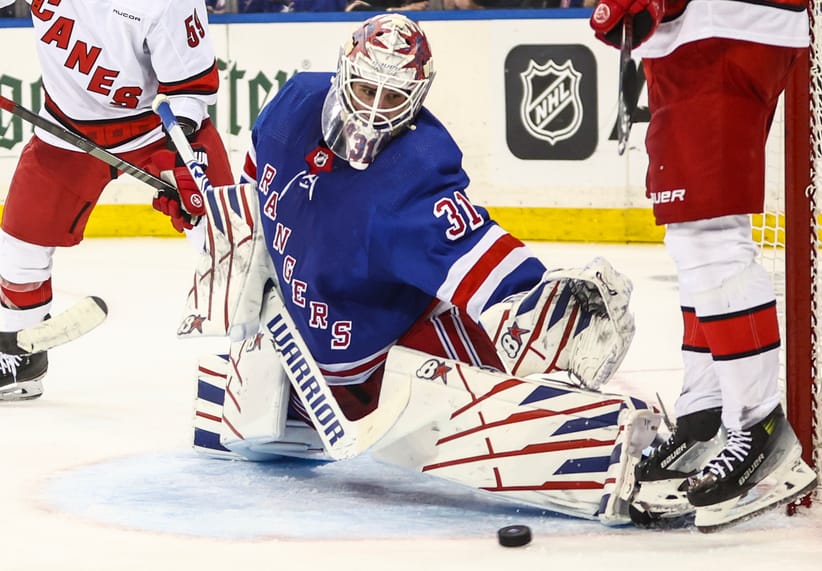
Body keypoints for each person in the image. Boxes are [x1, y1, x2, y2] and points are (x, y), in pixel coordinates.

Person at [181, 13, 656, 525]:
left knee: (502, 313)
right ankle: (586, 443)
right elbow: (255, 199)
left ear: (417, 96)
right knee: (500, 333)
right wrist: (557, 316)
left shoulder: (303, 112)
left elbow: (487, 268)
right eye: (366, 89)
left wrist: (537, 296)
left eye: (392, 97)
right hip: (374, 373)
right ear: (344, 72)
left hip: (311, 363)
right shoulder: (377, 158)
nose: (374, 110)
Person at [589, 0, 818, 530]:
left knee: (710, 236)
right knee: (693, 238)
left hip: (721, 26)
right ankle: (704, 413)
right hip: (700, 31)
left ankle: (760, 431)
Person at [0, 0, 234, 401]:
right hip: (65, 127)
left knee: (228, 236)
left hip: (156, 129)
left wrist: (184, 157)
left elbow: (190, 91)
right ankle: (19, 358)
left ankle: (259, 351)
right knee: (19, 246)